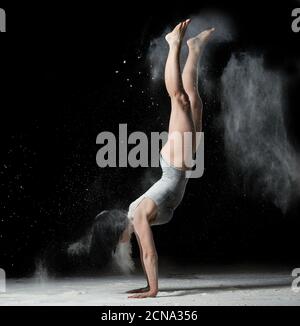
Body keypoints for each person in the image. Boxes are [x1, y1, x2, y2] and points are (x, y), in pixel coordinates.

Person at [121, 19, 215, 298]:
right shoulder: (137, 217)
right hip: (180, 163)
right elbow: (144, 251)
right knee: (194, 100)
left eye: (122, 241)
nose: (126, 245)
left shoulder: (138, 216)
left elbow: (149, 254)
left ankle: (173, 45)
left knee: (179, 99)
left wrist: (153, 289)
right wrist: (148, 285)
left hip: (175, 163)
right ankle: (194, 49)